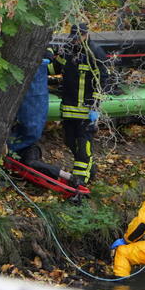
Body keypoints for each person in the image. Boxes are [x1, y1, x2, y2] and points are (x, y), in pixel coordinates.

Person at [52, 23, 109, 185]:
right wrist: (44, 60)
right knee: (70, 141)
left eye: (79, 38)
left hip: (86, 110)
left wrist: (95, 107)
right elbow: (55, 67)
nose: (76, 41)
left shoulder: (95, 53)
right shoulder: (68, 50)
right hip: (69, 109)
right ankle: (90, 170)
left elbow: (103, 80)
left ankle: (80, 181)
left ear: (86, 35)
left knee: (83, 147)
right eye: (74, 38)